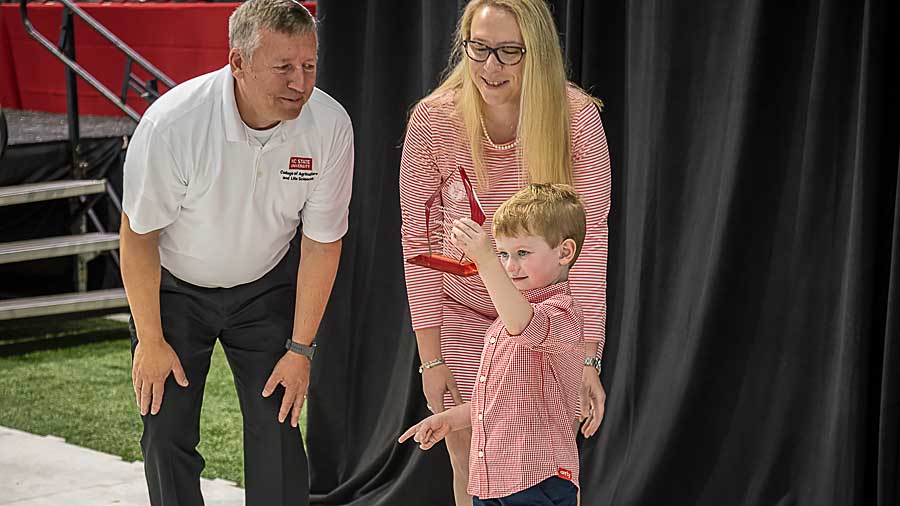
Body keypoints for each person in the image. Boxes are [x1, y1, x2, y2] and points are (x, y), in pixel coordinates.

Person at [119, 0, 353, 504]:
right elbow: (138, 238)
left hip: (264, 285)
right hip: (175, 288)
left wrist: (300, 350)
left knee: (279, 425)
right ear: (238, 63)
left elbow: (322, 242)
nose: (300, 82)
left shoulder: (330, 126)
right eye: (284, 67)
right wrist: (151, 341)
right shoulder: (173, 125)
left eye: (309, 66)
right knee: (166, 429)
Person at [399, 0, 611, 503]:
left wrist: (585, 358)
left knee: (539, 459)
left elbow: (591, 243)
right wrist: (431, 361)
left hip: (543, 320)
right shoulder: (432, 121)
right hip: (463, 314)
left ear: (535, 53)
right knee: (468, 454)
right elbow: (417, 242)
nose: (490, 67)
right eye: (479, 48)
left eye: (509, 52)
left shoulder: (576, 119)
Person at [400, 183, 587, 506]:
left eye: (522, 253)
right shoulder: (504, 323)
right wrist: (450, 420)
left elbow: (523, 323)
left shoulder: (562, 314)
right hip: (494, 481)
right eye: (503, 253)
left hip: (536, 480)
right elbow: (502, 403)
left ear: (565, 252)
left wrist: (485, 260)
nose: (510, 265)